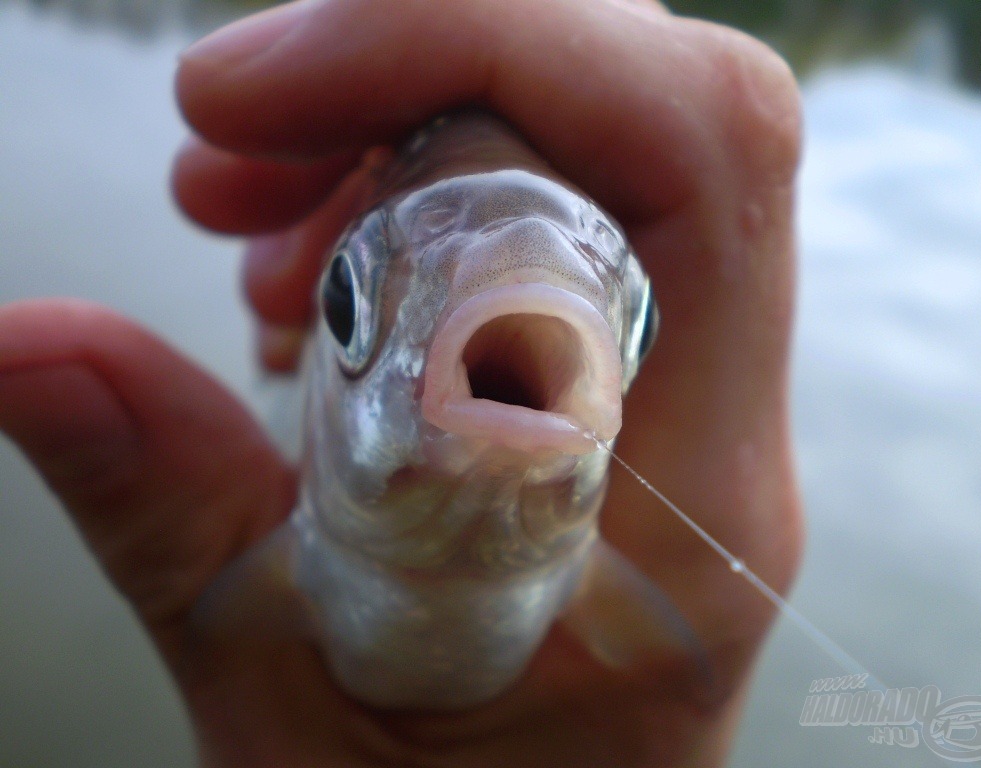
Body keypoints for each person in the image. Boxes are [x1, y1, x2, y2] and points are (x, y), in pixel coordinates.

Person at [0, 0, 803, 764]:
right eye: (354, 304)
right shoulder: (642, 656)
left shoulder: (647, 662)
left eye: (630, 328)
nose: (525, 258)